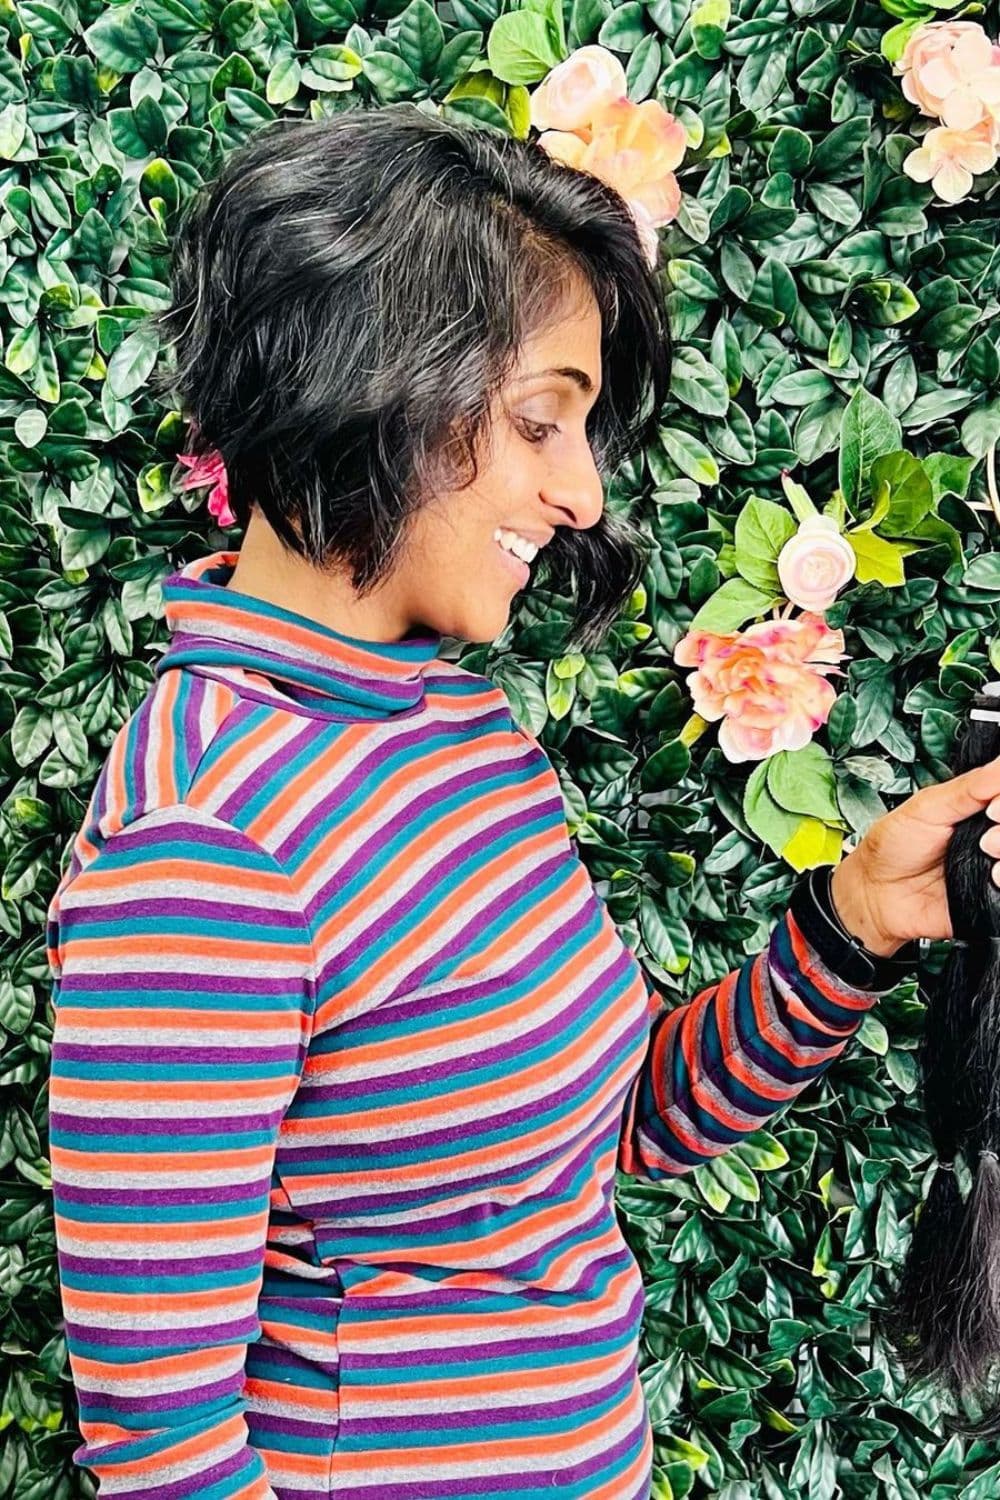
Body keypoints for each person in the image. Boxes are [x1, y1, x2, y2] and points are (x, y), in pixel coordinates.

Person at [44, 102, 1000, 1500]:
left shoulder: (442, 723)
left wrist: (855, 922)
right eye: (542, 420)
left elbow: (607, 1131)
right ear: (367, 375)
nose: (579, 489)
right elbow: (167, 1444)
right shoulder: (208, 841)